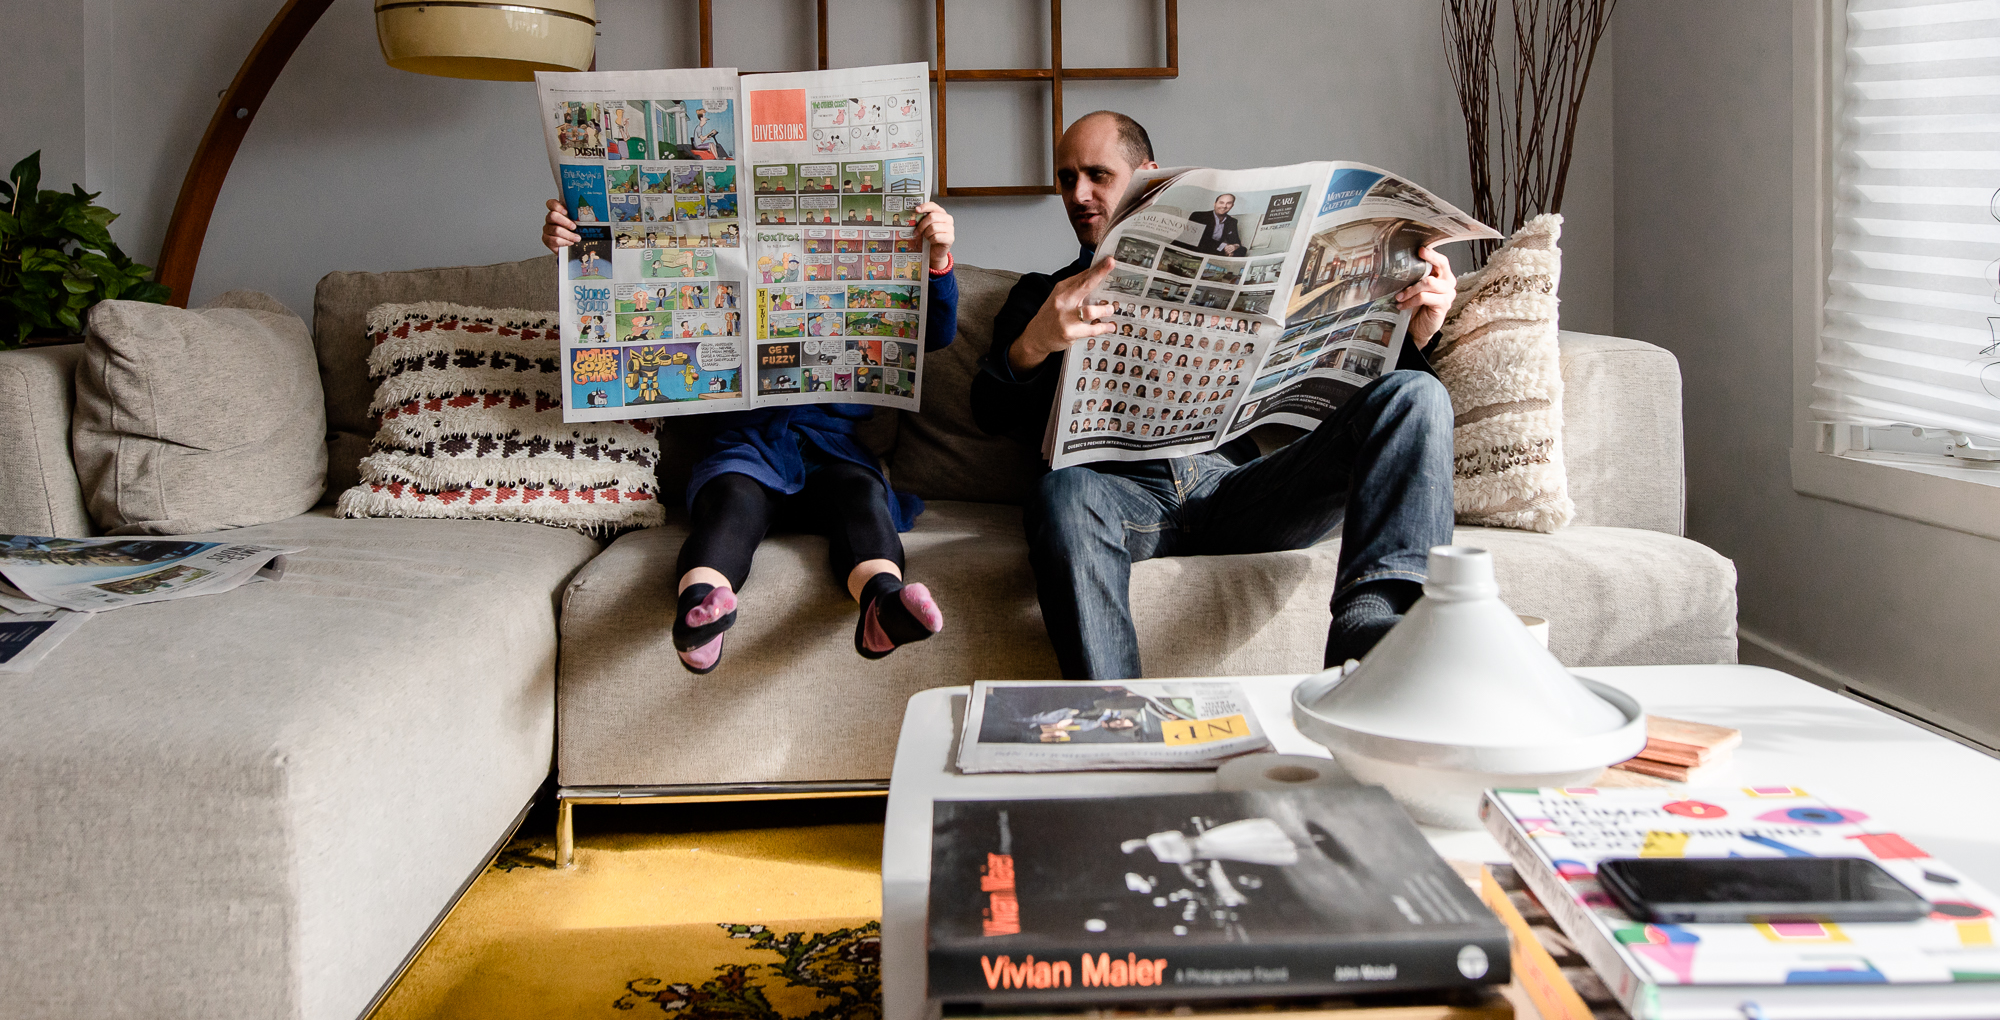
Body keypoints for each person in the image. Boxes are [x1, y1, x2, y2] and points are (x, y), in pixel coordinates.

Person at [968, 110, 1458, 679]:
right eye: (1066, 178)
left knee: (1416, 395)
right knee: (1063, 491)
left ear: (1149, 176)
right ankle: (1115, 719)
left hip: (1236, 491)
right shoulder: (1040, 297)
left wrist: (1416, 331)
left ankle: (1374, 644)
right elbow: (986, 410)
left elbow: (1361, 402)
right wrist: (1035, 343)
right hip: (1120, 500)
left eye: (1098, 174)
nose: (1078, 193)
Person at [541, 195, 962, 674]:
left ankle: (883, 605)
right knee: (731, 503)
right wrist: (580, 249)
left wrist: (937, 261)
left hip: (832, 447)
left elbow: (936, 333)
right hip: (743, 444)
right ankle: (700, 610)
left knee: (861, 496)